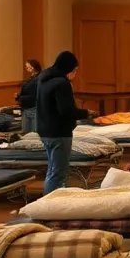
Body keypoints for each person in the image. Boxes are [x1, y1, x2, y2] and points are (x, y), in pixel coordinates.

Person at [36, 51, 90, 195]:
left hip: (45, 130)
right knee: (58, 173)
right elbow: (66, 111)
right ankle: (51, 206)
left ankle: (55, 200)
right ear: (69, 68)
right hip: (59, 132)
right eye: (75, 70)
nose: (75, 74)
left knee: (52, 169)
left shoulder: (44, 79)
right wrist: (86, 114)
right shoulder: (61, 83)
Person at [16, 58, 42, 135]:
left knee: (34, 132)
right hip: (26, 107)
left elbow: (35, 94)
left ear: (33, 67)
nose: (27, 68)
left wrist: (20, 97)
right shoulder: (32, 77)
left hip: (34, 107)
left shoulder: (39, 78)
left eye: (28, 66)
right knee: (26, 131)